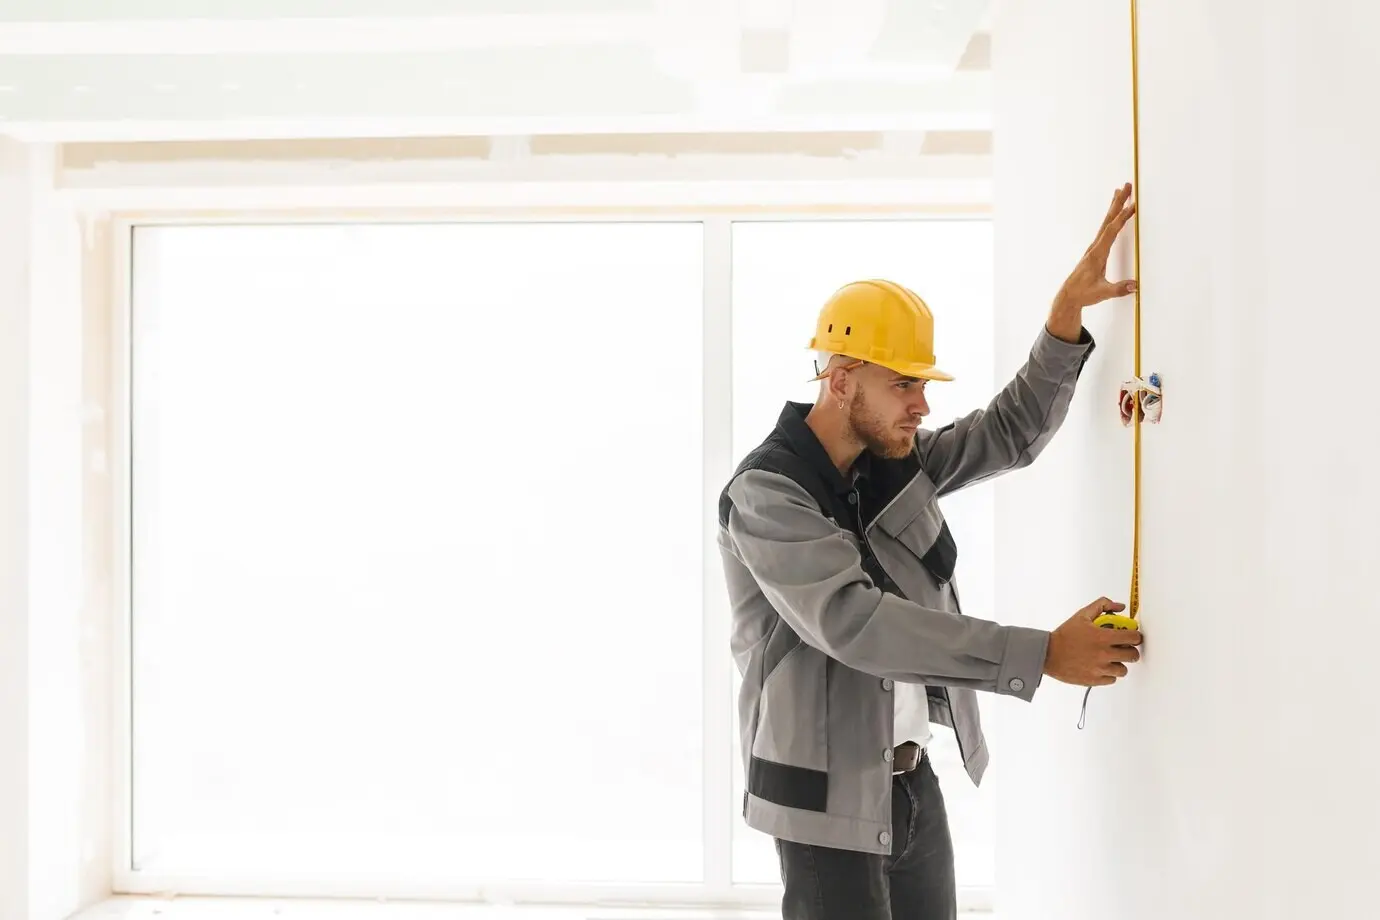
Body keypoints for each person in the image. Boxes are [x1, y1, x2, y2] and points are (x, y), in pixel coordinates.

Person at [716, 184, 1146, 920]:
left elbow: (1004, 435)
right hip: (825, 809)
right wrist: (1041, 652)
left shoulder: (888, 463)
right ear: (841, 381)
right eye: (904, 385)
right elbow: (859, 626)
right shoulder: (767, 496)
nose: (921, 405)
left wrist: (1063, 323)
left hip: (912, 785)